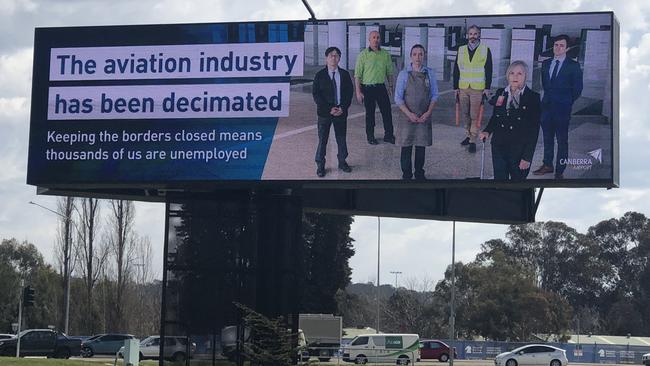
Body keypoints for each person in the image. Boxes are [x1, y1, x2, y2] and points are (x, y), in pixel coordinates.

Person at [532, 34, 583, 179]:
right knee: (547, 139)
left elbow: (578, 89)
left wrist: (566, 101)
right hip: (547, 108)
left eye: (561, 45)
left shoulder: (573, 66)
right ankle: (547, 165)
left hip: (562, 109)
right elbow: (545, 85)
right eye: (556, 45)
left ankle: (560, 171)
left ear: (567, 48)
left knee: (562, 140)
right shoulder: (546, 63)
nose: (558, 48)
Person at [479, 61, 541, 181]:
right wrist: (487, 131)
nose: (515, 77)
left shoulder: (533, 98)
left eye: (519, 73)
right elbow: (495, 117)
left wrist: (527, 157)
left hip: (520, 150)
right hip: (499, 146)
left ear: (525, 76)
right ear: (508, 76)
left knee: (517, 184)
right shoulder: (501, 93)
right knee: (500, 182)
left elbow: (534, 131)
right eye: (512, 73)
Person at [394, 44, 438, 180]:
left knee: (421, 146)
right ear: (410, 56)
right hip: (407, 116)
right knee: (406, 146)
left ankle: (419, 173)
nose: (418, 57)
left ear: (424, 56)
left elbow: (435, 95)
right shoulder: (403, 74)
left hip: (424, 116)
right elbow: (398, 98)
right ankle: (406, 175)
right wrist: (409, 114)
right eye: (415, 54)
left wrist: (428, 113)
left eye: (420, 54)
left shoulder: (429, 73)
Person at [312, 46, 354, 178]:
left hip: (341, 112)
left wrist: (343, 107)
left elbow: (349, 93)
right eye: (331, 55)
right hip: (325, 114)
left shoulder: (345, 75)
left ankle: (342, 162)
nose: (334, 58)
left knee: (341, 139)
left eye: (336, 55)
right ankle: (320, 165)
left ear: (339, 58)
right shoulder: (320, 75)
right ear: (326, 58)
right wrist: (329, 109)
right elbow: (316, 95)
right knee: (322, 140)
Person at [454, 24, 493, 153]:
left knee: (474, 115)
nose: (473, 36)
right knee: (465, 114)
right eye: (471, 34)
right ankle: (468, 135)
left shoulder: (485, 50)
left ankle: (473, 140)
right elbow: (456, 69)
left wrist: (487, 87)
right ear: (467, 35)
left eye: (475, 34)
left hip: (477, 88)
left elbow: (489, 70)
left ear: (479, 35)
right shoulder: (461, 50)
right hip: (463, 87)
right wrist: (455, 87)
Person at [354, 30, 395, 145]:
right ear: (369, 39)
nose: (376, 40)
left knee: (387, 111)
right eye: (373, 37)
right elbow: (357, 75)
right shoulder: (363, 55)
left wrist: (391, 86)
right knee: (370, 114)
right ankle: (370, 136)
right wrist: (358, 92)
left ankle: (389, 135)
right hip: (368, 88)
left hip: (381, 87)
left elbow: (390, 72)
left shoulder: (385, 54)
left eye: (377, 37)